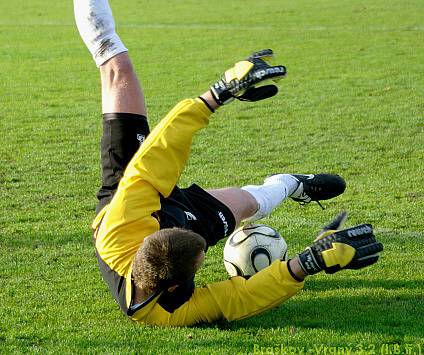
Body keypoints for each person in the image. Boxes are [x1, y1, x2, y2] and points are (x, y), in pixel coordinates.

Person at [73, 0, 383, 326]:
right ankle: (289, 182)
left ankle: (293, 184)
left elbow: (155, 157)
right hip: (161, 227)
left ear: (149, 240)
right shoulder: (167, 312)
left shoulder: (121, 228)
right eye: (203, 251)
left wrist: (218, 93)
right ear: (179, 283)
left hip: (125, 199)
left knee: (116, 67)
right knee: (248, 203)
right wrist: (308, 262)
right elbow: (239, 299)